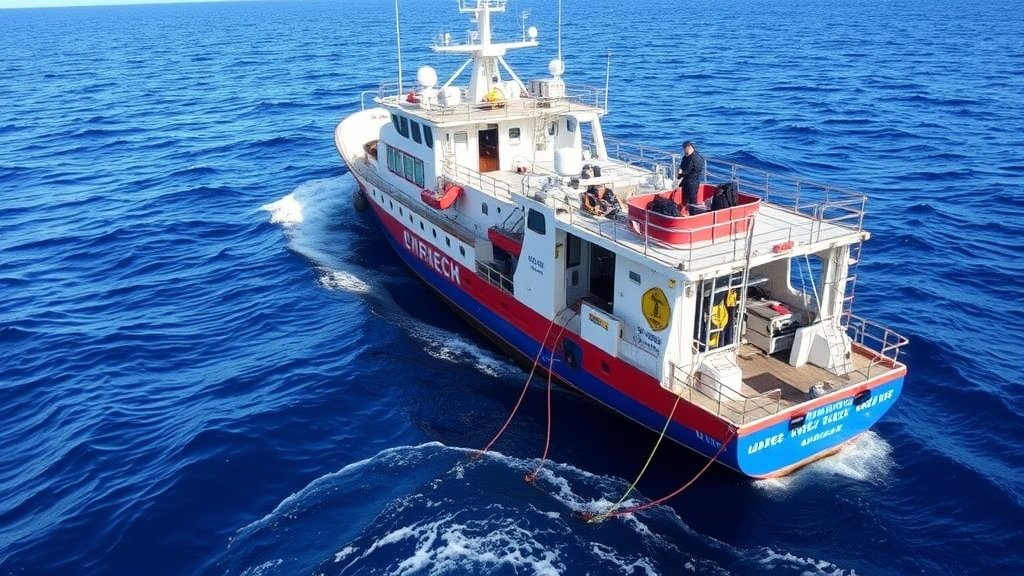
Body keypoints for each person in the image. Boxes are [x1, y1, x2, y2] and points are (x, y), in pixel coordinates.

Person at [676, 140, 706, 211]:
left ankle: (693, 213)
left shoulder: (694, 158)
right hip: (691, 180)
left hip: (691, 182)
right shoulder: (688, 157)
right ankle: (686, 210)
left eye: (684, 147)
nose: (683, 149)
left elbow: (687, 171)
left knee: (692, 200)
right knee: (687, 198)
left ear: (689, 147)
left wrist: (679, 175)